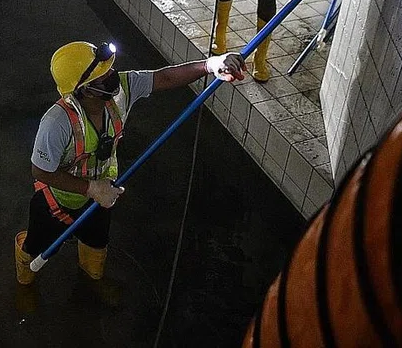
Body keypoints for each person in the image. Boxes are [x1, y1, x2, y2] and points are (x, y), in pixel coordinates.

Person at [15, 41, 246, 289]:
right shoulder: (56, 122)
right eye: (103, 75)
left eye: (110, 69)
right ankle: (24, 279)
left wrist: (210, 65)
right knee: (36, 247)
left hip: (103, 192)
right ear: (86, 89)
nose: (113, 75)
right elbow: (40, 171)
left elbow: (164, 77)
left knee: (96, 243)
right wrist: (90, 189)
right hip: (57, 201)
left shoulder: (122, 89)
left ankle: (91, 280)